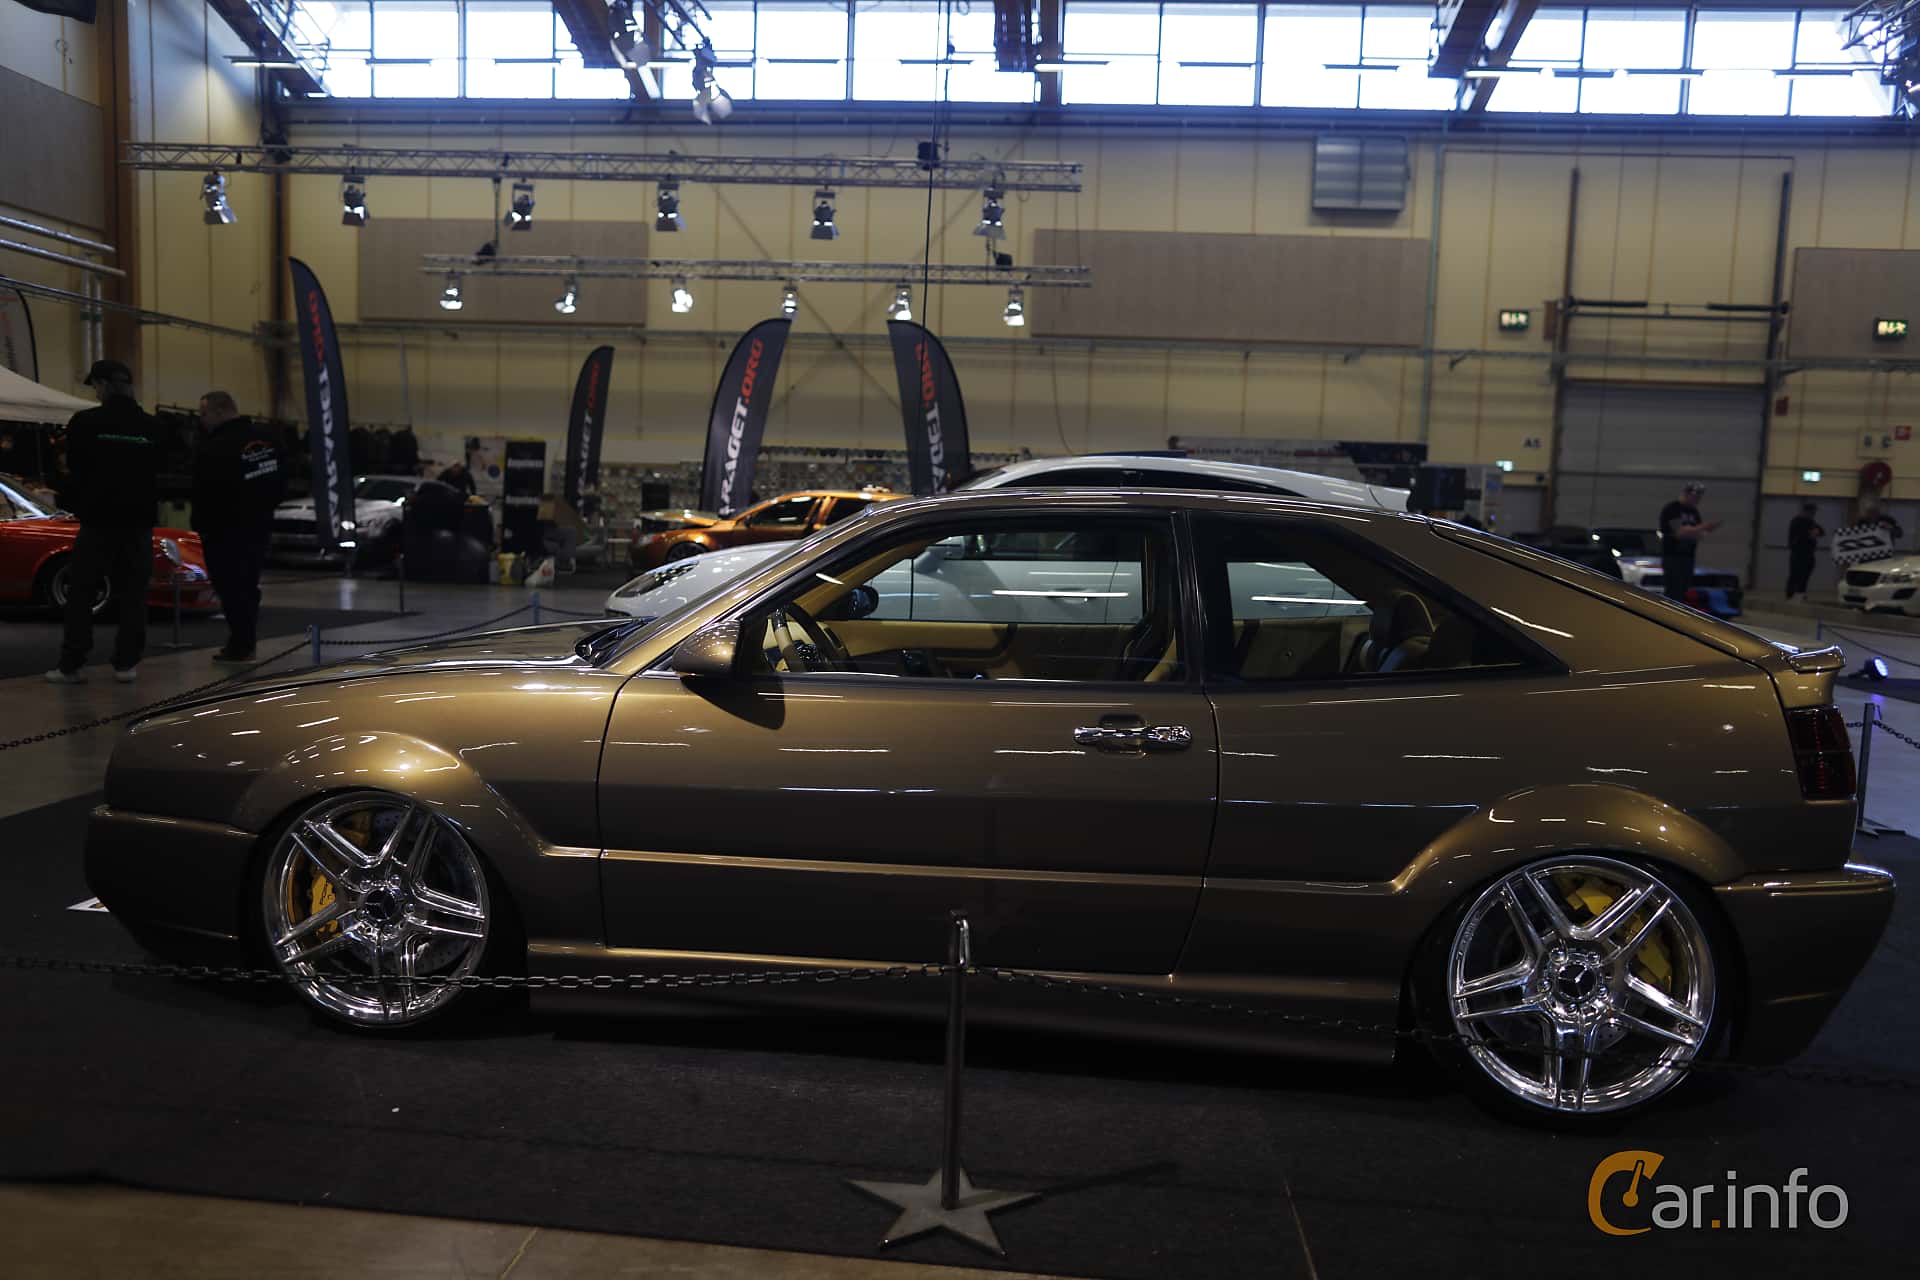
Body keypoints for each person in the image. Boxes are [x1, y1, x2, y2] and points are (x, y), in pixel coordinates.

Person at [45, 359, 168, 684]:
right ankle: (126, 664)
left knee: (82, 592)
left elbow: (72, 468)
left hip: (97, 521)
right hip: (138, 523)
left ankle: (72, 665)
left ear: (101, 385)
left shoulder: (85, 422)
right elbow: (164, 470)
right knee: (133, 595)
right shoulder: (153, 426)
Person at [191, 391, 287, 663]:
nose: (202, 420)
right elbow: (281, 481)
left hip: (224, 530)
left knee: (230, 587)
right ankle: (245, 641)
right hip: (259, 525)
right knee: (248, 584)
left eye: (204, 414)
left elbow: (204, 491)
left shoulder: (214, 446)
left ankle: (241, 644)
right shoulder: (269, 439)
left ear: (220, 412)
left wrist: (202, 525)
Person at [1657, 481, 1720, 603]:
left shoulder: (1694, 512)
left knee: (1683, 590)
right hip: (1673, 556)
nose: (1697, 500)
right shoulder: (1672, 508)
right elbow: (1679, 532)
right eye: (1695, 496)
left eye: (1699, 497)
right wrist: (1701, 528)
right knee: (1673, 589)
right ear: (1686, 494)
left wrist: (1702, 530)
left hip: (1688, 557)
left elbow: (1699, 534)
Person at [1786, 502, 1824, 599]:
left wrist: (1816, 532)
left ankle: (1801, 592)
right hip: (1798, 553)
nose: (1813, 514)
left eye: (1814, 512)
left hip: (1809, 553)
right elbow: (1798, 534)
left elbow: (1822, 531)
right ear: (1806, 511)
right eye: (1812, 512)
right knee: (1795, 574)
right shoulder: (1797, 521)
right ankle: (1790, 594)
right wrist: (1810, 533)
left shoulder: (1811, 522)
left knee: (1806, 574)